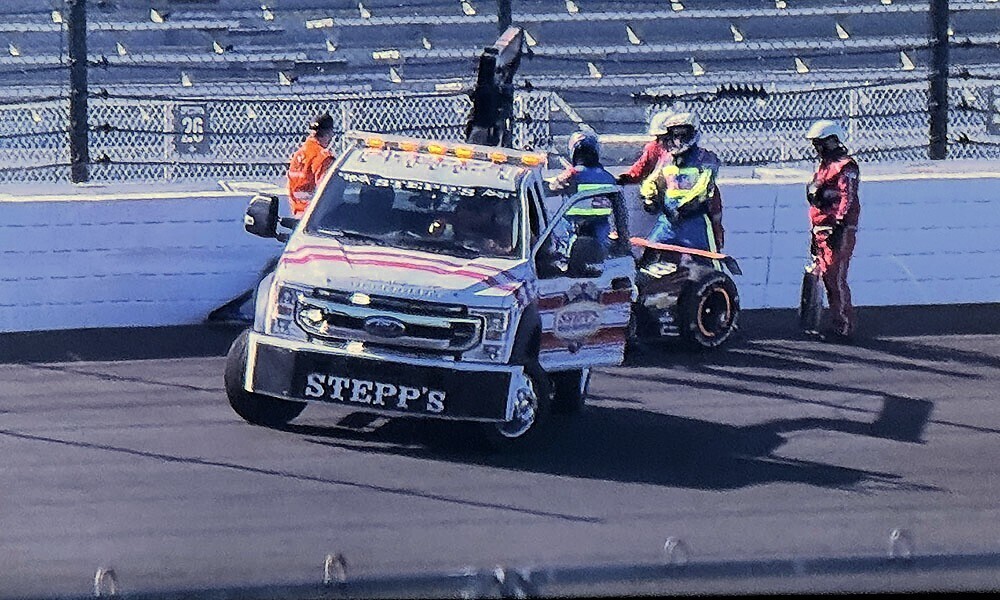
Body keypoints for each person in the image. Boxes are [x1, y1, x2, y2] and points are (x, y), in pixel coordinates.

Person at [618, 110, 725, 250]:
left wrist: (687, 204)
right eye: (674, 135)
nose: (678, 140)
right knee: (650, 251)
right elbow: (652, 177)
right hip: (668, 218)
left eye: (683, 135)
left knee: (711, 250)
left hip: (694, 216)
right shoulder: (666, 157)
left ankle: (717, 244)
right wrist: (649, 196)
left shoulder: (705, 158)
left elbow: (704, 184)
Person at [804, 119, 861, 344]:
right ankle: (832, 322)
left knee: (835, 277)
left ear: (832, 141)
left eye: (819, 144)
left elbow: (847, 197)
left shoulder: (846, 166)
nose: (816, 149)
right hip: (820, 227)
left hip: (838, 228)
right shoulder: (823, 166)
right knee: (823, 276)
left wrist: (839, 225)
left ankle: (844, 325)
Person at [549, 130, 617, 249]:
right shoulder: (608, 178)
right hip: (599, 227)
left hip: (573, 226)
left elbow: (552, 188)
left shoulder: (571, 176)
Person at [287, 112, 337, 217]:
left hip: (298, 214)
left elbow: (291, 186)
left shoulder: (299, 154)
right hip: (316, 217)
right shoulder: (323, 157)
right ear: (328, 133)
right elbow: (327, 190)